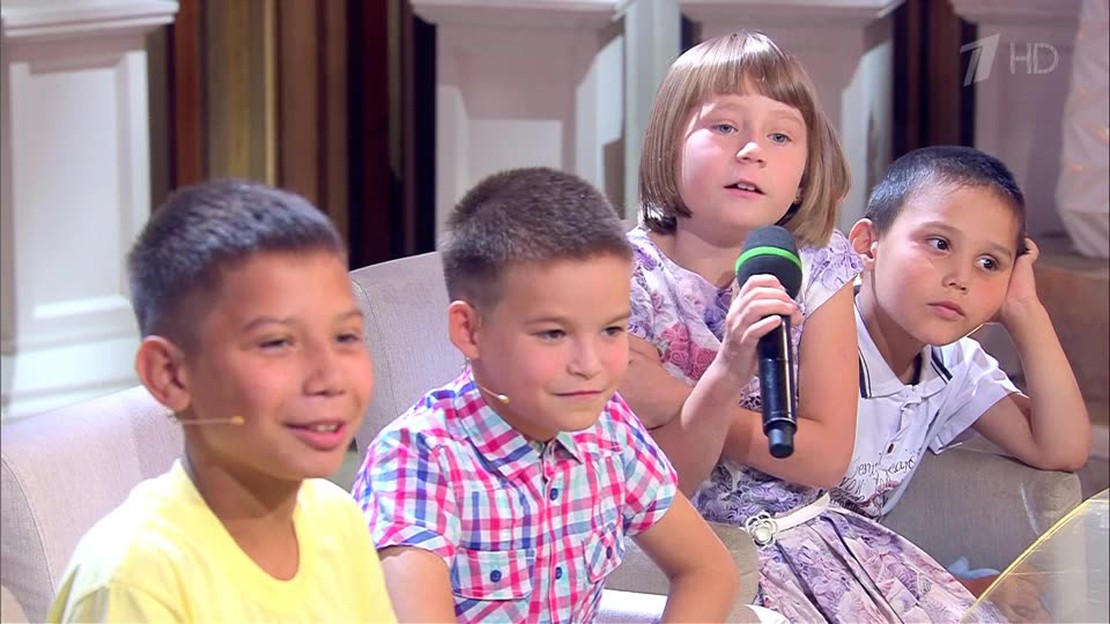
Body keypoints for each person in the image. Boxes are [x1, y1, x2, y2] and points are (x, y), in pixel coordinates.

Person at [619, 31, 980, 621]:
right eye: (724, 126)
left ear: (805, 172)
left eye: (780, 136)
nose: (751, 151)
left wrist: (678, 398)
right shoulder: (622, 275)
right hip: (690, 559)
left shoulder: (817, 263)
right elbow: (663, 484)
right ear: (668, 143)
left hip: (813, 542)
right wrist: (726, 374)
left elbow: (826, 457)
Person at [352, 167, 747, 623]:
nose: (589, 363)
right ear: (470, 330)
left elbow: (708, 570)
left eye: (611, 330)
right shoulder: (416, 461)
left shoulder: (610, 428)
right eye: (553, 333)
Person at [48, 179, 396, 622]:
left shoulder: (337, 518)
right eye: (276, 343)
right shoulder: (136, 580)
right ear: (170, 374)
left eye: (345, 336)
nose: (330, 378)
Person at [839, 145, 1090, 584]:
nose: (961, 278)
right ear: (867, 244)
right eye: (939, 244)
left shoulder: (953, 365)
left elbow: (1061, 448)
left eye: (989, 263)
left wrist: (1025, 310)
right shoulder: (817, 336)